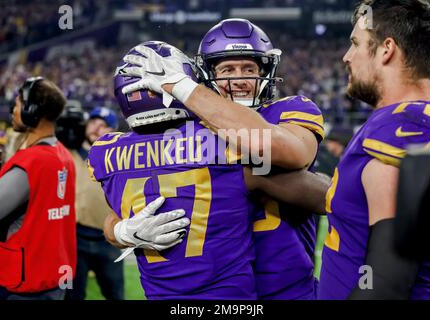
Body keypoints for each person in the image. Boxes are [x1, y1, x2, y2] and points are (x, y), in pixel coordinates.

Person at [89, 41, 330, 299]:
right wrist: (121, 231)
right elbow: (122, 212)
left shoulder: (285, 111)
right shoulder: (194, 133)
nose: (239, 79)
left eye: (249, 69)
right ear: (204, 76)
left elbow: (293, 155)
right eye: (227, 70)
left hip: (287, 287)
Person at [317, 0, 430, 299]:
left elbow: (387, 278)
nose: (347, 57)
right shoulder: (428, 118)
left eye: (356, 43)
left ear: (387, 49)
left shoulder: (399, 128)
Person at [0, 77, 76, 300]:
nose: (13, 110)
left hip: (23, 279)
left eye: (18, 104)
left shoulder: (32, 161)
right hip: (53, 273)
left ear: (32, 110)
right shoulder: (64, 155)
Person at [59, 105, 124, 300]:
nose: (97, 127)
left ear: (113, 132)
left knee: (115, 294)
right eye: (94, 121)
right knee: (72, 295)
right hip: (73, 238)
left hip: (109, 240)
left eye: (104, 125)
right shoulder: (66, 152)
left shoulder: (118, 158)